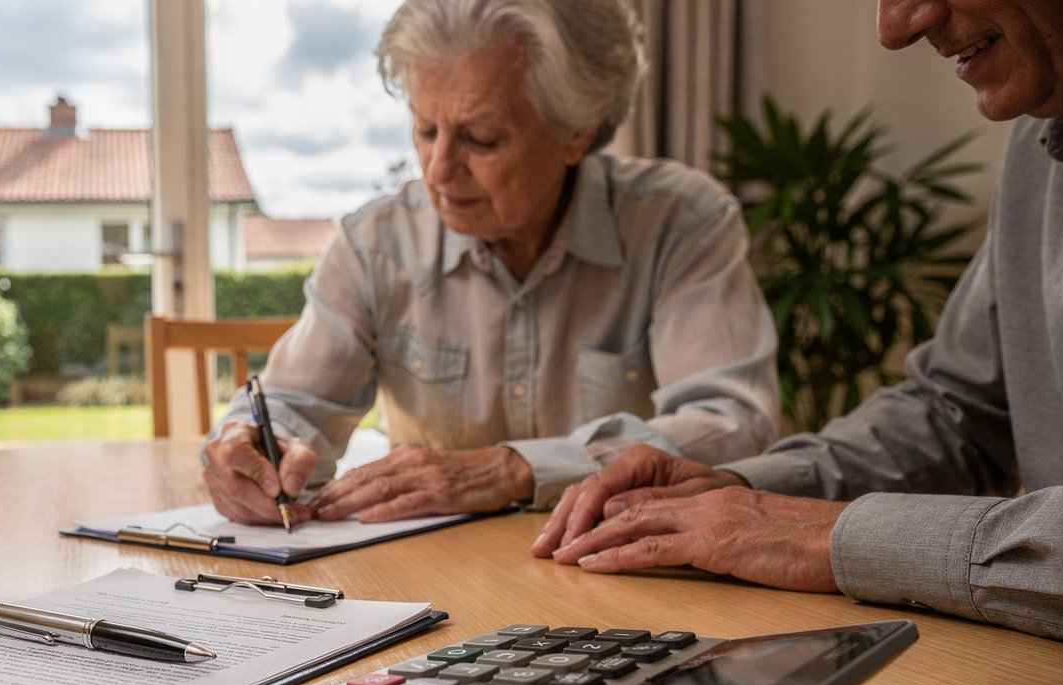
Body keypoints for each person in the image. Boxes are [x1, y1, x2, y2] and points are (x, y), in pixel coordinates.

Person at [534, 0, 1063, 641]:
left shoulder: (678, 213)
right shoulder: (1038, 146)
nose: (896, 27)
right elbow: (958, 414)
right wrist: (741, 491)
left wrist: (837, 537)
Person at [201, 0, 781, 527]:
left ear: (578, 132)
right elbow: (292, 407)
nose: (438, 169)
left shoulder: (680, 223)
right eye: (425, 129)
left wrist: (518, 468)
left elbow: (732, 423)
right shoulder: (375, 244)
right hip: (433, 578)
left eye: (480, 138)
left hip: (620, 571)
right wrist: (252, 448)